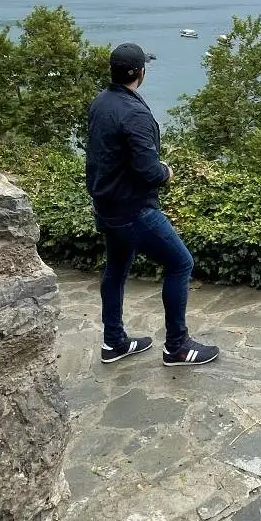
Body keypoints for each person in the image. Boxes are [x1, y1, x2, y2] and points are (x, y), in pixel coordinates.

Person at [85, 42, 219, 367]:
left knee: (115, 270)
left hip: (106, 204)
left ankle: (114, 342)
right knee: (180, 263)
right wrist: (167, 172)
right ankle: (177, 346)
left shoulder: (100, 103)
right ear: (141, 73)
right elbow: (148, 170)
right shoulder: (134, 114)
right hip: (133, 209)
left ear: (113, 71)